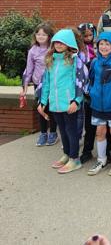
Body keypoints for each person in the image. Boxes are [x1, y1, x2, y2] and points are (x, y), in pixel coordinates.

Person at [37, 29, 87, 174]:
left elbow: (80, 81)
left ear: (69, 43)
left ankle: (74, 159)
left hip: (69, 103)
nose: (58, 45)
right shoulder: (50, 59)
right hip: (55, 103)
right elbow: (46, 82)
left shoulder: (74, 59)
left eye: (62, 42)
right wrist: (43, 101)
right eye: (56, 42)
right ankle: (66, 154)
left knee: (71, 131)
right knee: (62, 130)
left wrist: (76, 101)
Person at [87, 32, 111, 177]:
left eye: (107, 44)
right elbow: (91, 80)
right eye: (101, 44)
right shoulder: (94, 62)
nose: (103, 47)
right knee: (100, 132)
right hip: (97, 104)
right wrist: (92, 92)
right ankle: (101, 159)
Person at [21, 23, 56, 147]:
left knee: (51, 108)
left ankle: (52, 132)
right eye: (38, 34)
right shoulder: (32, 50)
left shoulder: (53, 49)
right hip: (38, 84)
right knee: (41, 108)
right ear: (35, 35)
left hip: (52, 83)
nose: (40, 36)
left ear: (49, 36)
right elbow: (29, 70)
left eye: (44, 34)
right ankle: (43, 133)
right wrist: (24, 88)